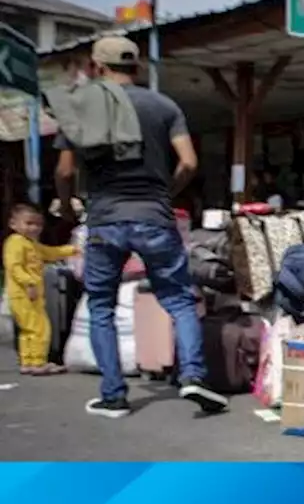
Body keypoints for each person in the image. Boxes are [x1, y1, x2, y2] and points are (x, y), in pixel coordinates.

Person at [52, 36, 223, 419]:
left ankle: (114, 396)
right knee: (179, 299)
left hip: (104, 219)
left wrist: (65, 207)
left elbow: (64, 170)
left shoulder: (81, 106)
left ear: (97, 67)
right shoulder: (164, 106)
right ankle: (193, 376)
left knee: (101, 305)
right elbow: (190, 163)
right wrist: (165, 192)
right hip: (155, 217)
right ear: (136, 67)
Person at [4, 204, 77, 375]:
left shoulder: (31, 244)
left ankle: (28, 361)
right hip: (23, 294)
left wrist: (72, 250)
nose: (34, 228)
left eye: (38, 224)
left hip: (30, 294)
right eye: (29, 223)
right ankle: (38, 362)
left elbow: (50, 253)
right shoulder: (15, 243)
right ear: (13, 224)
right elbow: (14, 267)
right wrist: (29, 283)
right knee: (40, 328)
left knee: (28, 329)